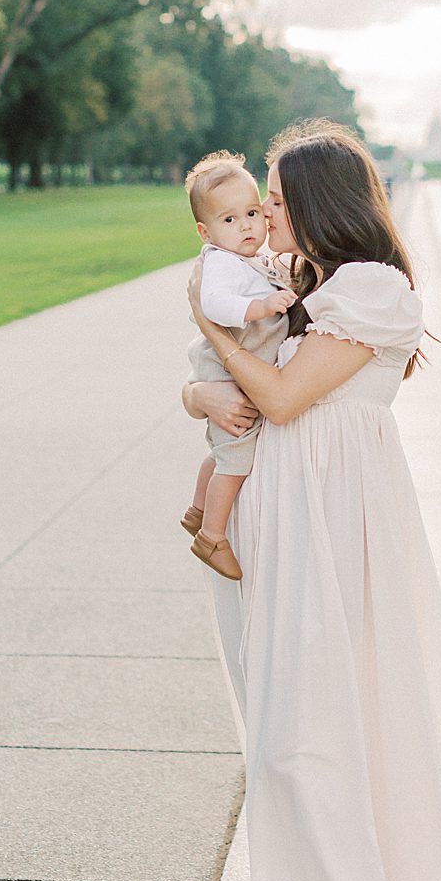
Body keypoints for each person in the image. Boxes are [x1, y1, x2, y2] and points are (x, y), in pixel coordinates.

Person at [183, 119, 441, 881]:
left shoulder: (370, 287)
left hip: (338, 523)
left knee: (322, 727)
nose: (265, 215)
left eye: (280, 201)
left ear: (324, 203)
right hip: (282, 517)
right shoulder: (300, 283)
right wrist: (200, 380)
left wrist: (205, 336)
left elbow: (281, 395)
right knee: (282, 729)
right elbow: (223, 391)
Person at [181, 151, 296, 581]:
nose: (248, 225)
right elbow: (213, 304)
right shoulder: (221, 263)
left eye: (252, 212)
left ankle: (197, 510)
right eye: (230, 220)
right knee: (236, 461)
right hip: (227, 373)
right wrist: (260, 305)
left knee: (223, 450)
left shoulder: (247, 260)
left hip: (233, 373)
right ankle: (212, 536)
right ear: (205, 231)